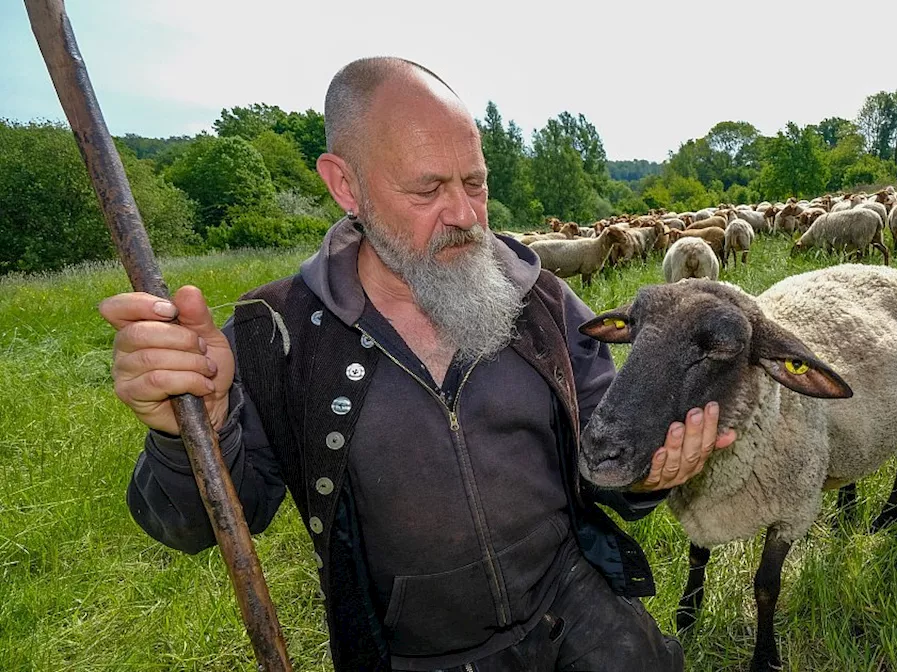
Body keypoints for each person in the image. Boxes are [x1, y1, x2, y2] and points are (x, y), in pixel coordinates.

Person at [99, 57, 734, 672]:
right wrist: (192, 433)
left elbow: (603, 453)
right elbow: (188, 525)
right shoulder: (279, 338)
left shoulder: (540, 302)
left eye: (475, 183)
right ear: (345, 184)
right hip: (413, 654)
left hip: (578, 613)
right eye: (428, 189)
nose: (465, 216)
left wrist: (648, 475)